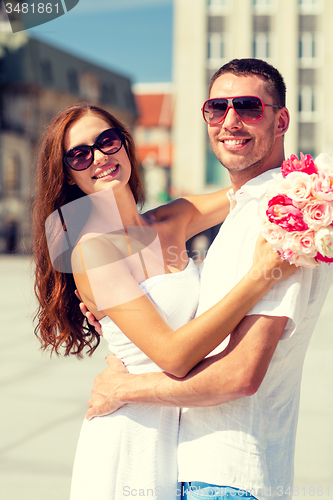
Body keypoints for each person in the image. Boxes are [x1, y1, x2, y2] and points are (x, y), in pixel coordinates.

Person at [82, 59, 333, 500]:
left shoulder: (283, 216)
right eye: (217, 108)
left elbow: (240, 374)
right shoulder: (253, 206)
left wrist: (126, 386)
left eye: (249, 106)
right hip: (167, 453)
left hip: (225, 472)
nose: (230, 120)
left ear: (282, 120)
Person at [33, 102, 293, 500]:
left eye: (107, 141)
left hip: (187, 435)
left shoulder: (172, 219)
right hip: (132, 434)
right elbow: (173, 355)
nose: (100, 157)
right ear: (68, 175)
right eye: (80, 154)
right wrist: (261, 276)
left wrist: (310, 188)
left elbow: (254, 190)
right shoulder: (92, 252)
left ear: (125, 144)